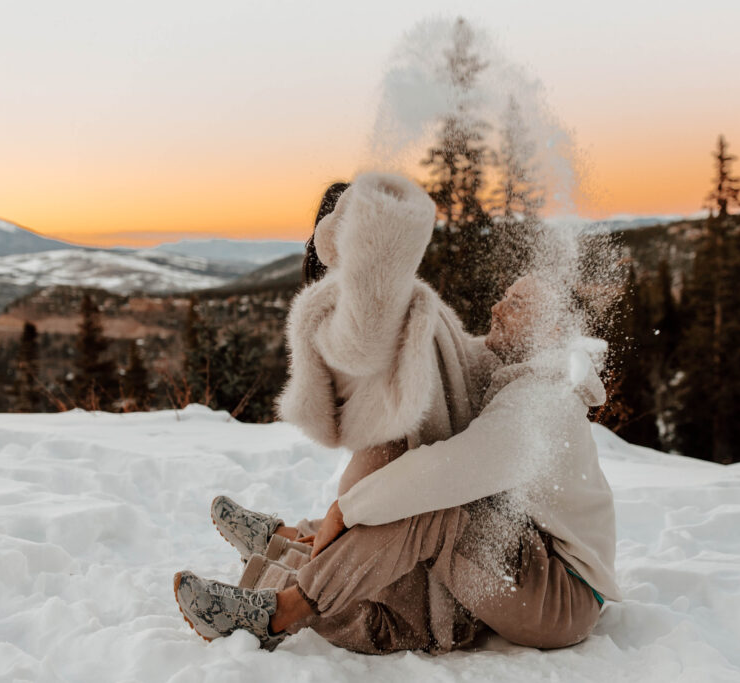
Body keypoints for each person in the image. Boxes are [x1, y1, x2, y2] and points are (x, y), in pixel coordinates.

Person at [174, 274, 622, 651]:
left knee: (434, 511)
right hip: (532, 555)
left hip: (563, 596)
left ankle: (280, 613)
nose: (498, 308)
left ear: (551, 327)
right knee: (406, 485)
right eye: (505, 295)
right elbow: (448, 357)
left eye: (518, 303)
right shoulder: (520, 374)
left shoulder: (542, 401)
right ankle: (295, 542)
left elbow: (448, 472)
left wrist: (345, 510)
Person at [175, 172, 500, 653]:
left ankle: (272, 601)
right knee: (363, 522)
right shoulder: (421, 307)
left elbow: (360, 349)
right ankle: (286, 542)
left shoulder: (386, 312)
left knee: (367, 609)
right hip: (424, 519)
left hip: (439, 568)